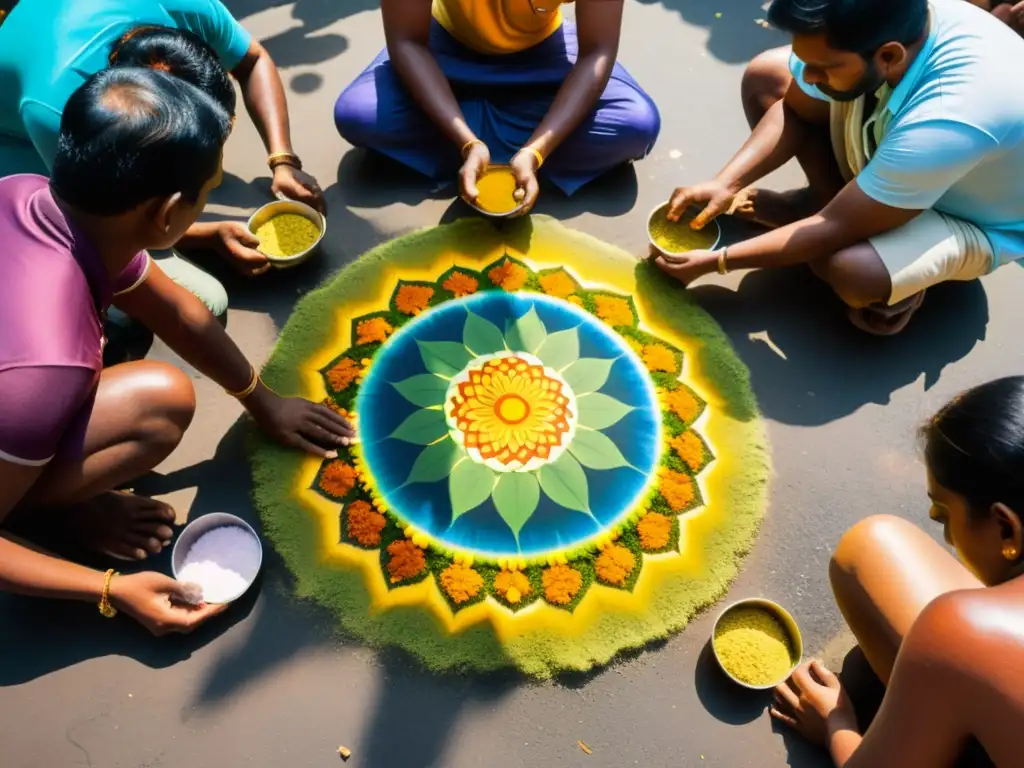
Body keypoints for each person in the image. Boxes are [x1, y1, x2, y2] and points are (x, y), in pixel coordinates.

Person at [0, 67, 353, 636]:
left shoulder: (30, 193)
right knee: (157, 408)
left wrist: (265, 403)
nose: (211, 204)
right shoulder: (50, 368)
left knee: (152, 392)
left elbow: (178, 310)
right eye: (209, 193)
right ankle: (40, 514)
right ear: (166, 215)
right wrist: (111, 591)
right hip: (24, 386)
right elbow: (40, 373)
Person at [655, 0, 1024, 335]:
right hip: (913, 161)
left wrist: (716, 261)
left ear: (889, 56)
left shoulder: (949, 117)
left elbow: (834, 227)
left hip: (966, 215)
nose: (809, 76)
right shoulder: (900, 24)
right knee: (768, 76)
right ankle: (823, 203)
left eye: (823, 67)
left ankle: (905, 274)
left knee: (851, 270)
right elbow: (795, 108)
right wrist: (725, 183)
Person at [0, 0, 324, 305]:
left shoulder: (188, 9)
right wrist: (206, 235)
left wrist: (283, 160)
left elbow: (252, 59)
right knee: (206, 301)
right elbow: (97, 224)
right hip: (15, 148)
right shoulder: (61, 115)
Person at [771, 377, 1024, 766]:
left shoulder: (966, 629)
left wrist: (836, 724)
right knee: (873, 546)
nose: (947, 538)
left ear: (1006, 527)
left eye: (943, 514)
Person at [333, 0, 660, 213]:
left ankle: (485, 140)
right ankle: (479, 141)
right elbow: (406, 41)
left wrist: (537, 151)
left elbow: (596, 52)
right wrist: (466, 141)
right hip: (443, 50)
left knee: (633, 127)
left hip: (543, 56)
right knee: (359, 115)